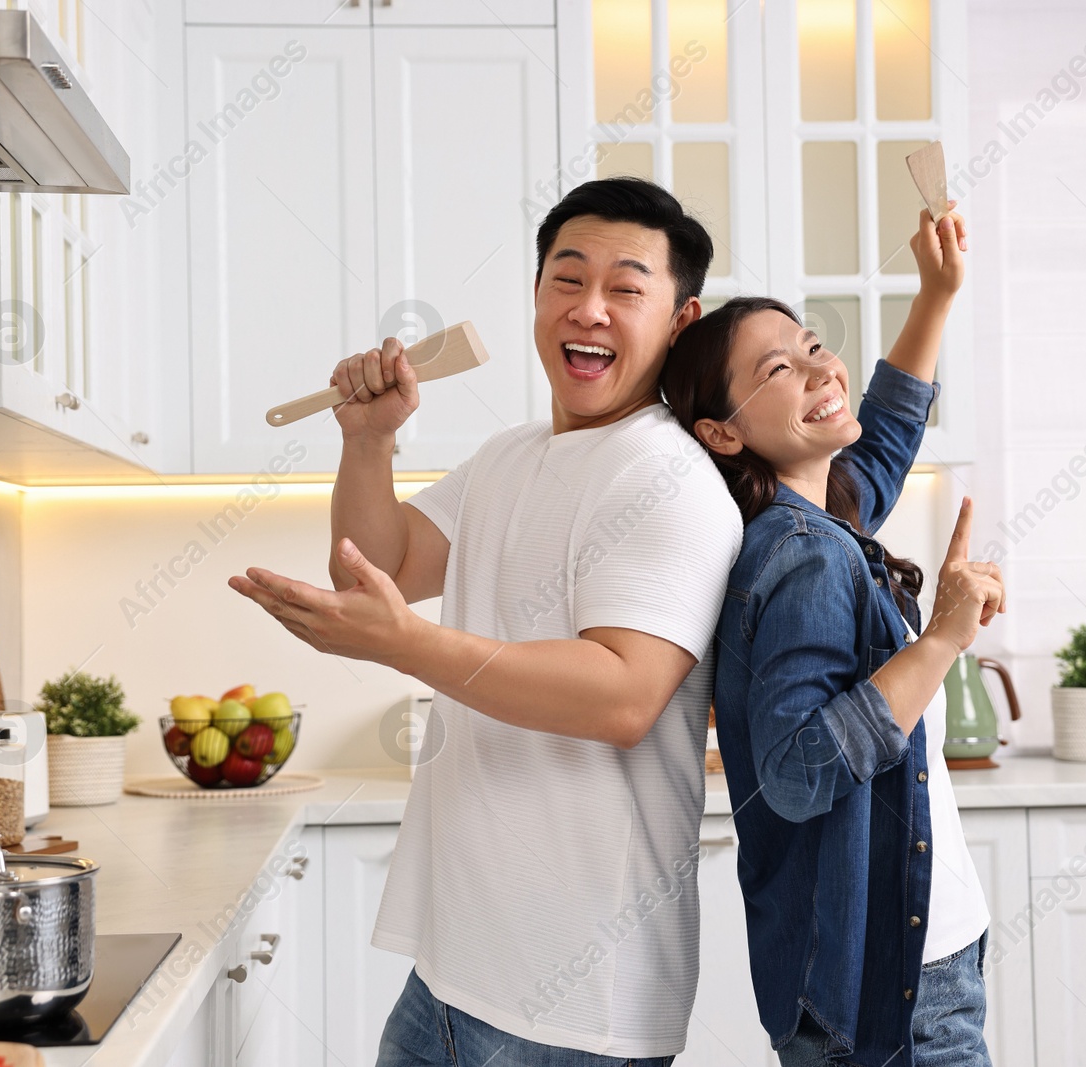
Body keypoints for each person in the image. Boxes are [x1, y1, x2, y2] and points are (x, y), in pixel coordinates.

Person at [228, 177, 743, 1066]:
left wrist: (407, 645)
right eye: (565, 279)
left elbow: (623, 696)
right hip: (455, 973)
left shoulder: (672, 478)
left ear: (681, 320)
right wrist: (367, 440)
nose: (590, 309)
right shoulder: (510, 456)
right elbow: (380, 566)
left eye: (627, 289)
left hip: (578, 999)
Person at [660, 204, 1001, 1066]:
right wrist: (945, 638)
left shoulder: (814, 514)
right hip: (898, 989)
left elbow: (879, 444)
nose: (820, 368)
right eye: (781, 367)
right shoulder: (806, 556)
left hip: (899, 967)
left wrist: (936, 295)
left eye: (814, 346)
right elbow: (801, 769)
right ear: (723, 432)